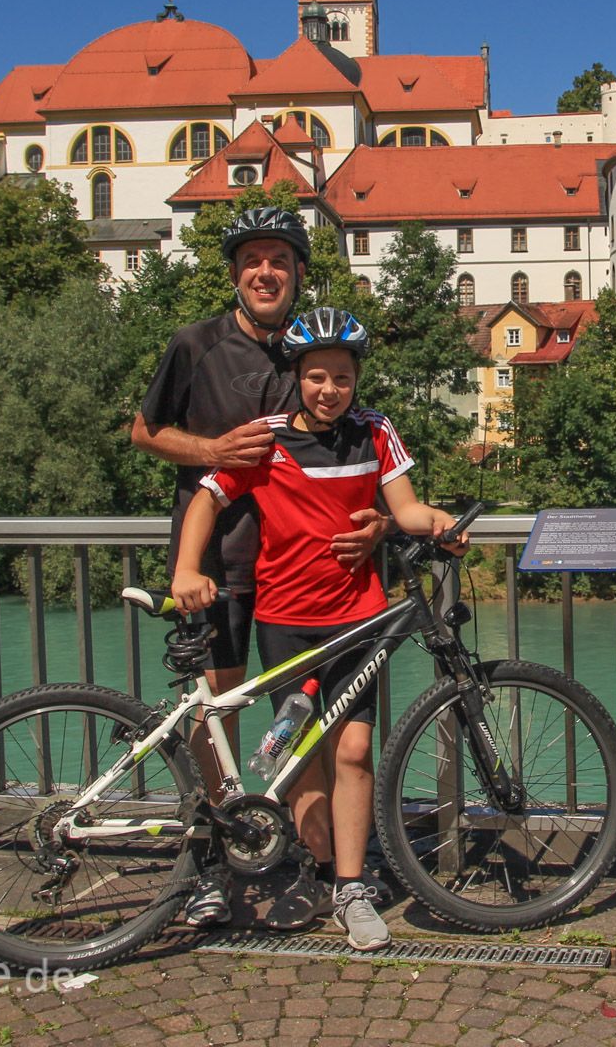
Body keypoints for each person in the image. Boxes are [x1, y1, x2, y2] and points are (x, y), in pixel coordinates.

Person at [173, 307, 466, 952]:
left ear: (356, 381)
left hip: (356, 615)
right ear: (297, 378)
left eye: (341, 378)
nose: (329, 390)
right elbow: (207, 496)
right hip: (284, 620)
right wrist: (186, 569)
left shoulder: (375, 431)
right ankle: (328, 870)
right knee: (304, 759)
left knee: (354, 752)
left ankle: (353, 888)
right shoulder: (267, 436)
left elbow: (407, 506)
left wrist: (437, 520)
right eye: (316, 377)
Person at [130, 207, 390, 930]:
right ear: (236, 275)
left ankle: (309, 872)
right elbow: (143, 433)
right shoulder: (197, 345)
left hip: (296, 579)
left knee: (298, 735)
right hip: (214, 566)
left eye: (280, 260)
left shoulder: (314, 353)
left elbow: (352, 459)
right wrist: (211, 453)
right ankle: (213, 868)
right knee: (216, 727)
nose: (266, 272)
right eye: (252, 261)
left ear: (299, 273)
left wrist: (377, 527)